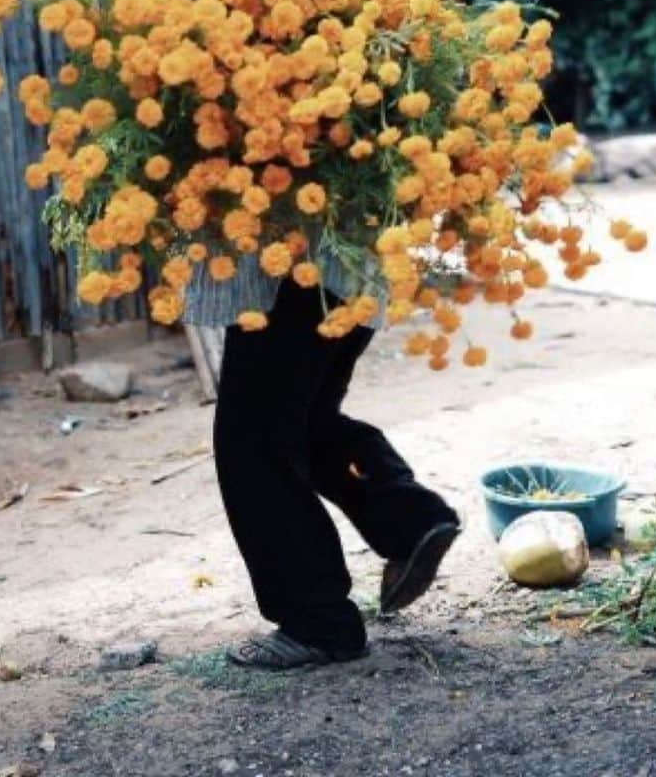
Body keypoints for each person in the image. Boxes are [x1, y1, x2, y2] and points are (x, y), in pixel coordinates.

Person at [186, 253, 460, 670]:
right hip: (347, 262)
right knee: (303, 422)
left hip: (295, 264)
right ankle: (410, 521)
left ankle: (317, 621)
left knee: (253, 441)